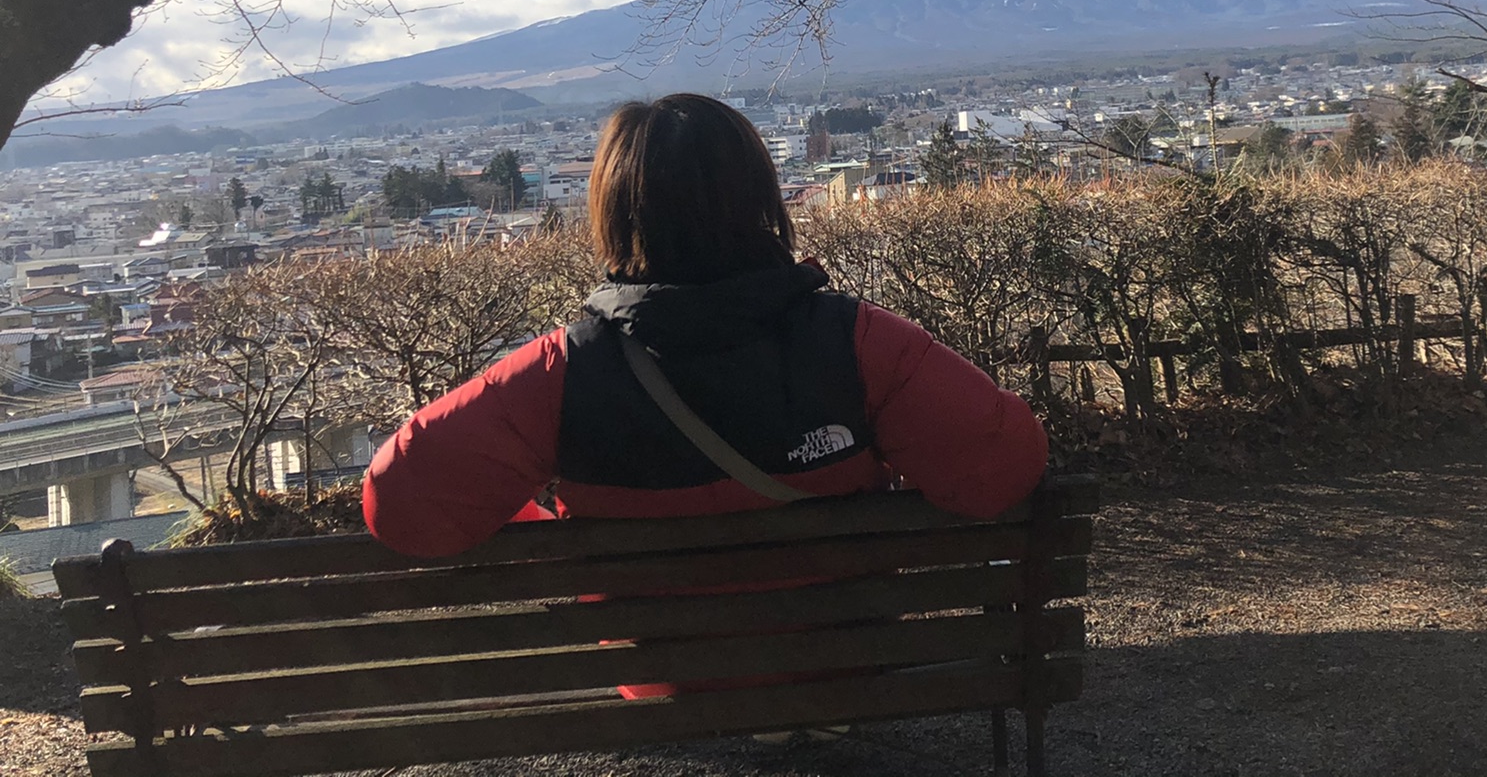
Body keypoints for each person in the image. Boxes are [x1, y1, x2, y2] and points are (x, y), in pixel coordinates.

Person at [361, 94, 1048, 558]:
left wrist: (546, 538)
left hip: (660, 673)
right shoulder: (857, 340)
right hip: (846, 661)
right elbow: (1005, 466)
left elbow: (400, 503)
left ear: (614, 210)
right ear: (759, 197)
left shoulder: (561, 375)